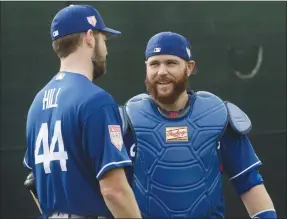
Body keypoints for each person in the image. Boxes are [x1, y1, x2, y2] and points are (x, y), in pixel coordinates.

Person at [120, 32, 277, 218]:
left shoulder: (216, 117)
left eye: (171, 63)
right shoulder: (127, 121)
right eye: (155, 63)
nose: (162, 71)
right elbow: (112, 190)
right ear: (146, 68)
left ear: (189, 67)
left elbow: (249, 183)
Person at [23, 4, 141, 219]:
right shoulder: (96, 100)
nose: (105, 49)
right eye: (103, 40)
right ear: (89, 36)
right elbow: (114, 191)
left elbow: (35, 182)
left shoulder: (37, 103)